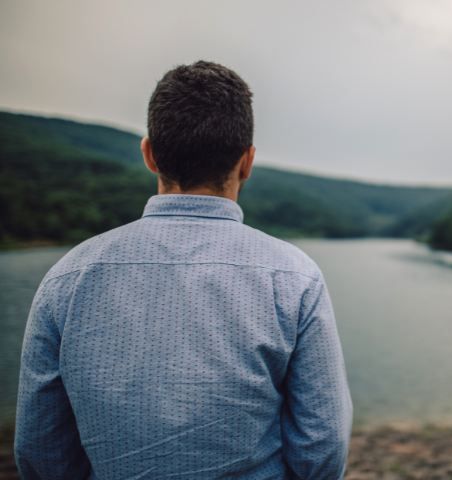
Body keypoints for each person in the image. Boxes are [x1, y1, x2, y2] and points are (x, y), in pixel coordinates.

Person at [14, 60, 353, 479]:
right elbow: (322, 447)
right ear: (246, 162)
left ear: (150, 154)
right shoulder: (294, 277)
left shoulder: (67, 277)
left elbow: (40, 449)